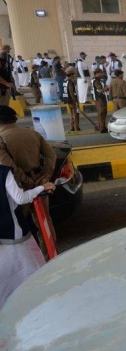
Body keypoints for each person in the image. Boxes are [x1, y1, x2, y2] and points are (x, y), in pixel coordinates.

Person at [0, 146, 56, 310]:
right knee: (32, 270)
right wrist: (41, 188)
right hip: (14, 235)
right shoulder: (4, 172)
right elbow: (20, 197)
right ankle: (40, 305)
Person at [0, 105, 57, 261]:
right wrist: (45, 177)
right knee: (44, 224)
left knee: (22, 226)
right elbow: (51, 155)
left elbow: (9, 167)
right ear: (15, 119)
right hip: (40, 182)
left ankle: (34, 262)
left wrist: (28, 182)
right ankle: (51, 258)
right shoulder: (32, 133)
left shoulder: (1, 139)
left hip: (19, 187)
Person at [62, 67, 80, 132]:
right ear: (71, 74)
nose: (75, 76)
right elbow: (71, 92)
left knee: (72, 114)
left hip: (67, 99)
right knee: (75, 114)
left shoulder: (65, 81)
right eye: (74, 74)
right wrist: (75, 100)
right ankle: (76, 127)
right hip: (72, 100)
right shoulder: (70, 82)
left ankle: (72, 127)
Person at [91, 68, 109, 133]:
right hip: (99, 99)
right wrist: (106, 88)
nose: (101, 74)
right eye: (100, 73)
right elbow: (100, 90)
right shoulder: (96, 81)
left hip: (98, 98)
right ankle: (102, 127)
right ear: (97, 74)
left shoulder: (96, 80)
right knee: (102, 113)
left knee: (101, 113)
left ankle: (102, 126)